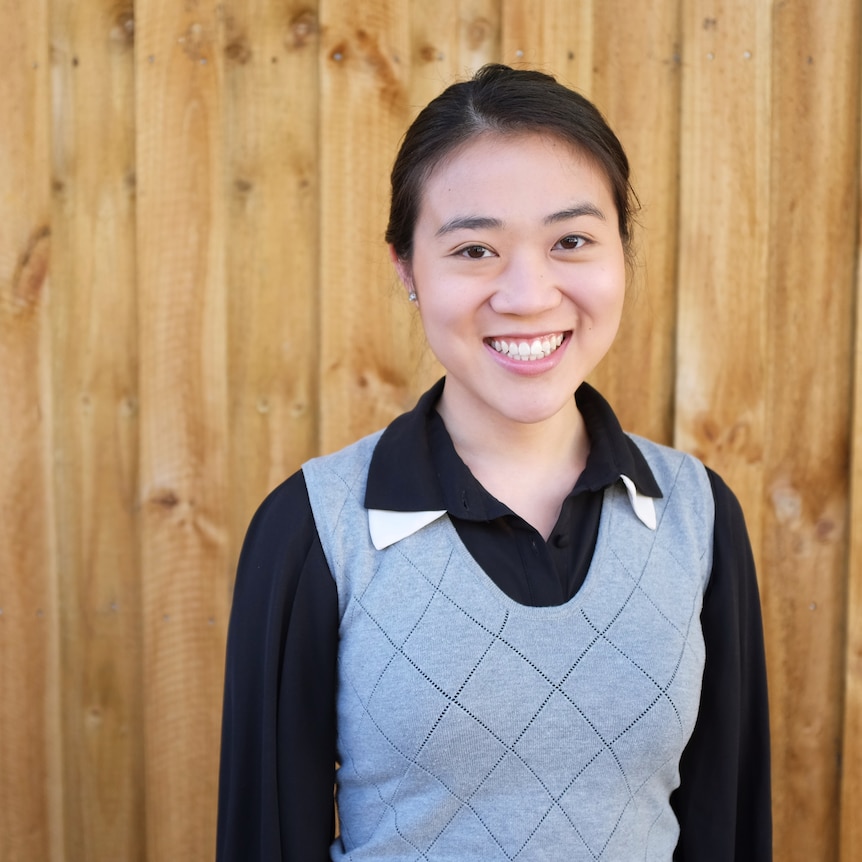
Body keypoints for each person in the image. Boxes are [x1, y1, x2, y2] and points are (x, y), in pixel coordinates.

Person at [216, 64, 771, 861]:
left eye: (571, 241)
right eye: (475, 249)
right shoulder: (315, 528)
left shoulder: (697, 514)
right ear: (408, 269)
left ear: (623, 252)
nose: (527, 294)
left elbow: (729, 827)